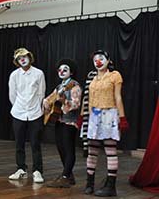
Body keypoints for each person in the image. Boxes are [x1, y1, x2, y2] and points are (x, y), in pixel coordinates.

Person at [83, 50, 129, 197]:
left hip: (109, 114)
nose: (98, 61)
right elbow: (89, 98)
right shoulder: (92, 78)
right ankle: (89, 183)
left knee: (110, 150)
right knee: (92, 150)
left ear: (108, 60)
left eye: (101, 58)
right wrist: (84, 116)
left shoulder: (115, 75)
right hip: (94, 116)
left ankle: (111, 185)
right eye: (95, 59)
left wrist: (122, 118)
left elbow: (118, 96)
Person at [8, 48, 45, 183]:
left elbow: (41, 93)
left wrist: (36, 107)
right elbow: (12, 95)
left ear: (30, 57)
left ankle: (37, 171)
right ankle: (21, 169)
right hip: (18, 112)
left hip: (35, 112)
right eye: (19, 58)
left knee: (35, 143)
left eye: (24, 56)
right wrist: (19, 107)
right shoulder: (14, 75)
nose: (22, 59)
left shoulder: (38, 73)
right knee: (19, 143)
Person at [44, 58, 82, 188]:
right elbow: (51, 98)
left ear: (71, 72)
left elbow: (76, 105)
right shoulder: (60, 86)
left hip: (70, 122)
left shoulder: (74, 86)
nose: (61, 71)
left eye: (65, 69)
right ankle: (69, 175)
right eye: (60, 69)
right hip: (59, 120)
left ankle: (65, 176)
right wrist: (46, 101)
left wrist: (65, 101)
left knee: (68, 148)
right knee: (60, 148)